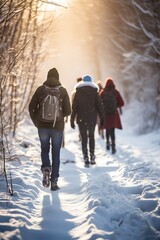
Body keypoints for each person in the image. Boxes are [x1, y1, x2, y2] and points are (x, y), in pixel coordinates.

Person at [29, 68, 71, 191]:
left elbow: (31, 107)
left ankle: (46, 168)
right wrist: (60, 115)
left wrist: (37, 121)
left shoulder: (40, 90)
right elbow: (68, 111)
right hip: (57, 127)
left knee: (44, 149)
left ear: (47, 77)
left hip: (42, 126)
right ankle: (54, 182)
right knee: (56, 153)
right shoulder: (62, 91)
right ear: (58, 77)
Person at [70, 75, 104, 167]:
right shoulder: (94, 92)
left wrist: (72, 119)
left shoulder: (78, 92)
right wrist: (102, 118)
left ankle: (86, 158)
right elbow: (99, 107)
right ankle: (92, 157)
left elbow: (74, 108)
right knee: (91, 137)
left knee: (84, 139)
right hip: (92, 119)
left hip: (81, 119)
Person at [100, 78, 124, 154]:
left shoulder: (103, 92)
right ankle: (113, 147)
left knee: (107, 129)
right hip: (114, 114)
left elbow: (99, 103)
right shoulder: (116, 92)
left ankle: (107, 143)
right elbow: (122, 103)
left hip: (106, 114)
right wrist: (116, 105)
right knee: (112, 131)